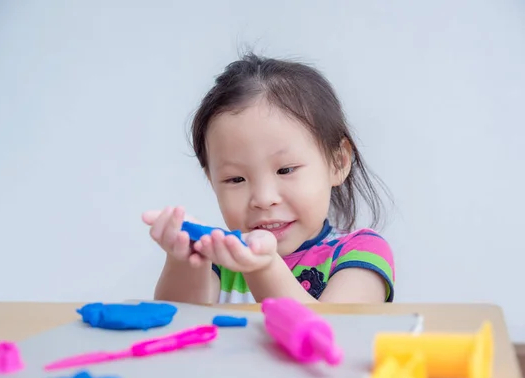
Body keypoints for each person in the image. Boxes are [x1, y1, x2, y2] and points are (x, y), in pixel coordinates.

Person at [142, 53, 395, 305]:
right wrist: (185, 260)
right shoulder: (220, 261)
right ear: (212, 180)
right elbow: (179, 323)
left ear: (337, 162)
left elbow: (328, 334)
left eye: (285, 170)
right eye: (236, 179)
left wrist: (264, 269)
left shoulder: (361, 253)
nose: (263, 199)